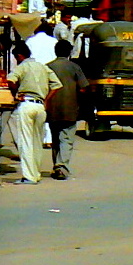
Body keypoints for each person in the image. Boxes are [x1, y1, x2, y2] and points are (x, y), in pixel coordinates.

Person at [7, 40, 61, 185]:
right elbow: (57, 85)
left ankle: (28, 176)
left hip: (27, 104)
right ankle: (35, 173)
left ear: (19, 56)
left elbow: (10, 80)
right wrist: (47, 100)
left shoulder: (22, 67)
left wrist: (15, 94)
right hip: (40, 106)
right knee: (37, 141)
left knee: (25, 141)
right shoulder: (42, 67)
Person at [45, 39, 90, 179]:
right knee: (67, 138)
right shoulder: (74, 67)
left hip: (51, 108)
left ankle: (56, 165)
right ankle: (61, 166)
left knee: (55, 138)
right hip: (70, 108)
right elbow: (84, 87)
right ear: (70, 52)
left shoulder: (48, 67)